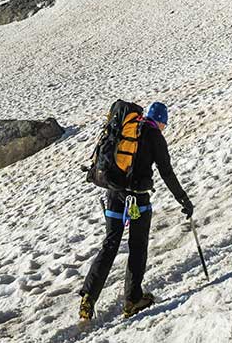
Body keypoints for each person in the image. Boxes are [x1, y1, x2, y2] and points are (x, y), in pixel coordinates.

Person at [79, 101, 193, 321]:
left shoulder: (127, 128)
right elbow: (166, 173)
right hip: (138, 199)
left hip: (113, 194)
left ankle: (88, 298)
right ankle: (132, 300)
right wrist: (183, 200)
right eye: (164, 125)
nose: (163, 129)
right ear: (160, 121)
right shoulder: (155, 136)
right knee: (137, 246)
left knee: (110, 244)